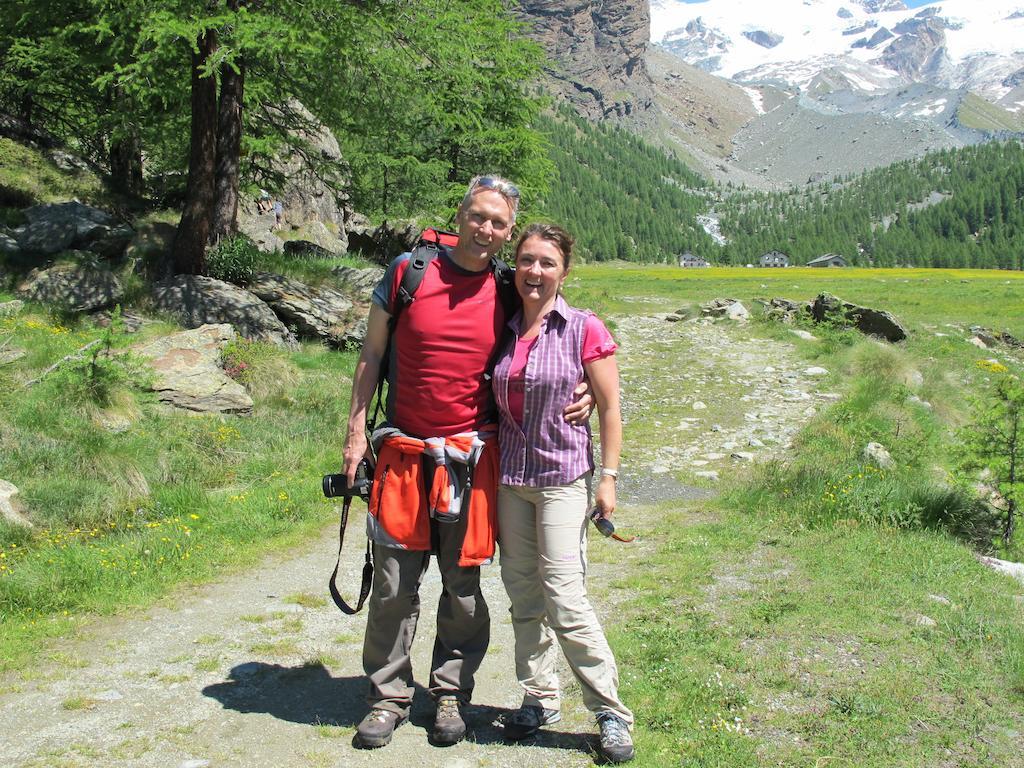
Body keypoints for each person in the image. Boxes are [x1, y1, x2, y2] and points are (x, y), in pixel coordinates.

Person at [341, 176, 591, 750]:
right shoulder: (409, 273)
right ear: (460, 214)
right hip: (403, 453)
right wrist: (355, 435)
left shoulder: (508, 287)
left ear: (507, 233)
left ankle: (451, 691)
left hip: (472, 458)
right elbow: (371, 353)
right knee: (392, 586)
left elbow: (560, 331)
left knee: (464, 587)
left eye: (498, 223)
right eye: (477, 216)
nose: (485, 229)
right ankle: (388, 696)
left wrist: (587, 391)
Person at [493, 223, 635, 763]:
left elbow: (613, 406)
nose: (535, 271)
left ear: (564, 272)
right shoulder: (502, 326)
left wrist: (609, 477)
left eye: (547, 263)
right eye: (527, 260)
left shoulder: (583, 328)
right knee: (524, 597)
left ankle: (609, 712)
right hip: (512, 481)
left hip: (563, 481)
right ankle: (539, 698)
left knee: (566, 599)